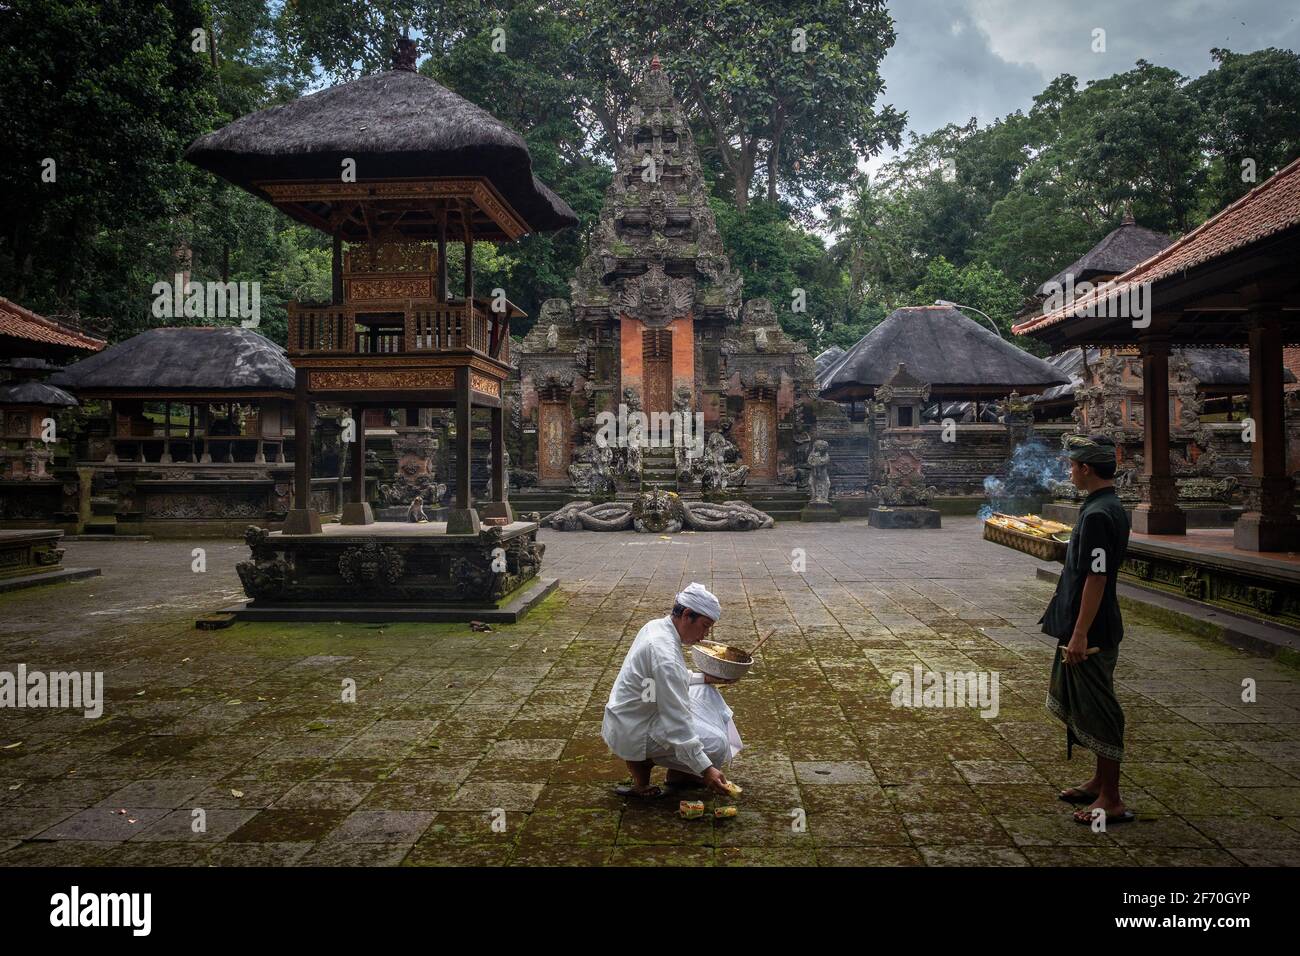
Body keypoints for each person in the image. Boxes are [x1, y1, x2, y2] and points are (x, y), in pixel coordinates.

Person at [1041, 433, 1135, 825]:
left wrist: (1080, 633)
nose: (1070, 472)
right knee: (1088, 699)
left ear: (1087, 469)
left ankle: (1111, 798)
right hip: (1090, 619)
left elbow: (1096, 577)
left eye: (1074, 467)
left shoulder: (1098, 514)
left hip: (1092, 626)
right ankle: (1099, 780)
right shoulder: (1106, 506)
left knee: (1099, 707)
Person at [602, 582, 743, 799]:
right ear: (687, 614)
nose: (704, 635)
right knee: (717, 743)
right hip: (634, 725)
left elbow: (670, 679)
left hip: (643, 705)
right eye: (705, 626)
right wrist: (706, 769)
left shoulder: (658, 625)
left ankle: (680, 774)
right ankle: (649, 766)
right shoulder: (663, 653)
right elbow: (677, 723)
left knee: (706, 691)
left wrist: (705, 678)